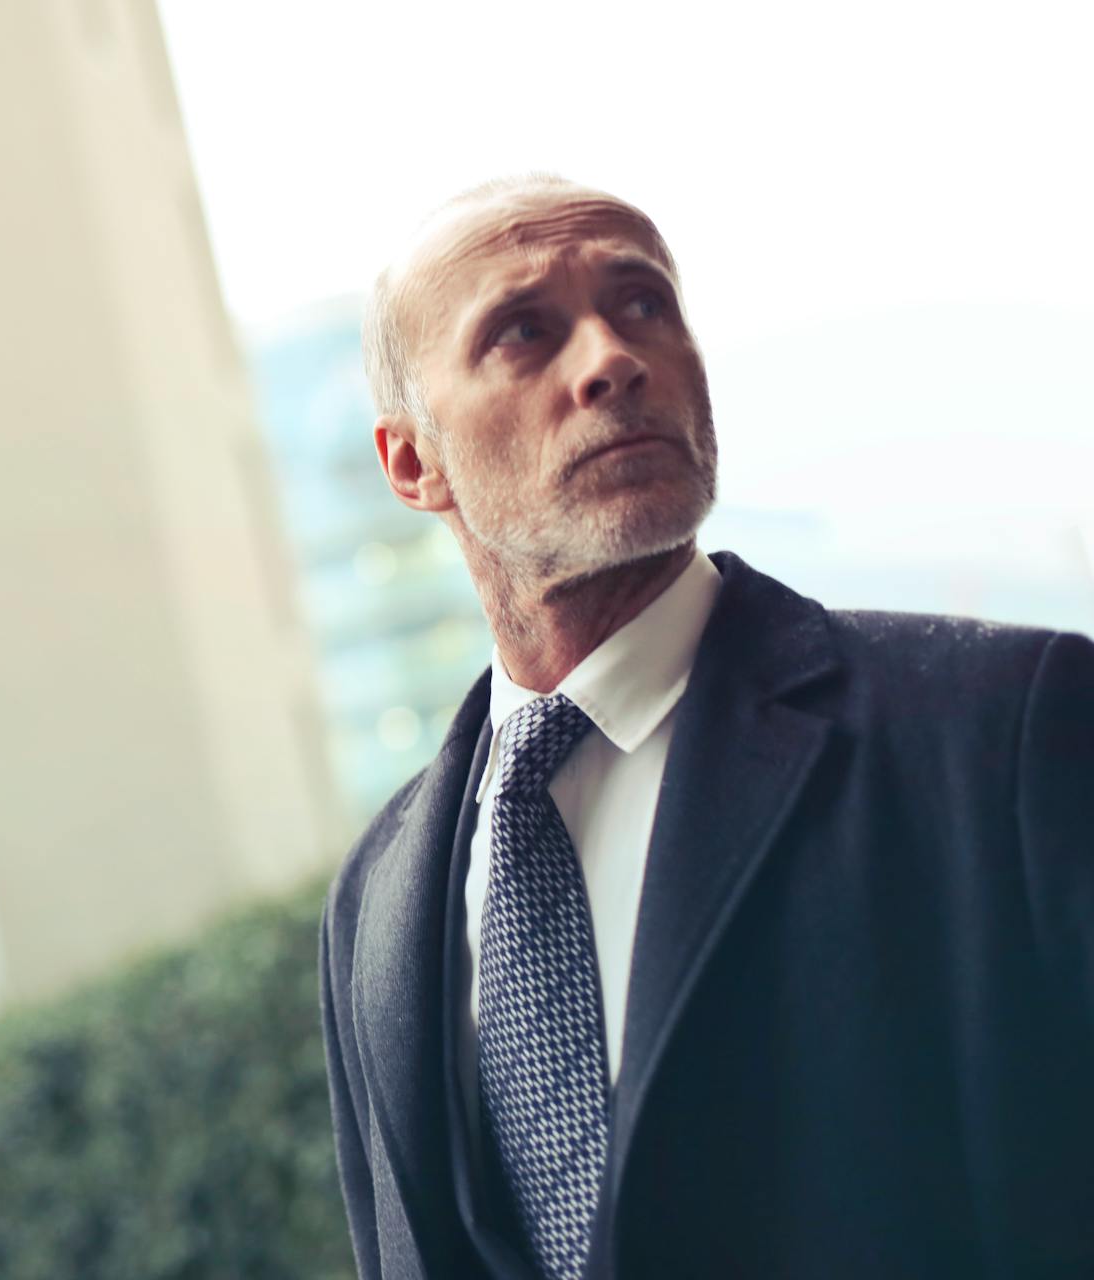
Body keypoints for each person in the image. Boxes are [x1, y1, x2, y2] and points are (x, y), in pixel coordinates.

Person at [318, 173, 1094, 1280]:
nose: (611, 359)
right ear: (412, 462)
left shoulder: (1001, 730)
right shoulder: (375, 899)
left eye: (643, 304)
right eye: (524, 330)